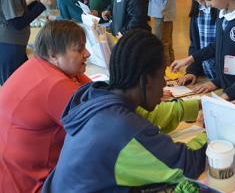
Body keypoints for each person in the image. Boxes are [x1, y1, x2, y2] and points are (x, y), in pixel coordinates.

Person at [41, 29, 207, 192]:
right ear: (146, 80)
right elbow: (187, 165)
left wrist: (199, 106)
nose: (164, 84)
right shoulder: (123, 130)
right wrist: (216, 131)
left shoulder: (99, 98)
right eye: (162, 76)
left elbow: (153, 117)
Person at [0, 20, 91, 193]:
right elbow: (102, 125)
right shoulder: (55, 86)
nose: (87, 53)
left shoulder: (40, 64)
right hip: (27, 185)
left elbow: (90, 90)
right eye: (79, 49)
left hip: (3, 175)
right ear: (54, 54)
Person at [176, 0, 218, 86]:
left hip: (223, 79)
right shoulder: (197, 12)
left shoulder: (221, 11)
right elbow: (194, 45)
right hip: (207, 75)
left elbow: (219, 46)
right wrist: (192, 71)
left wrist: (191, 58)